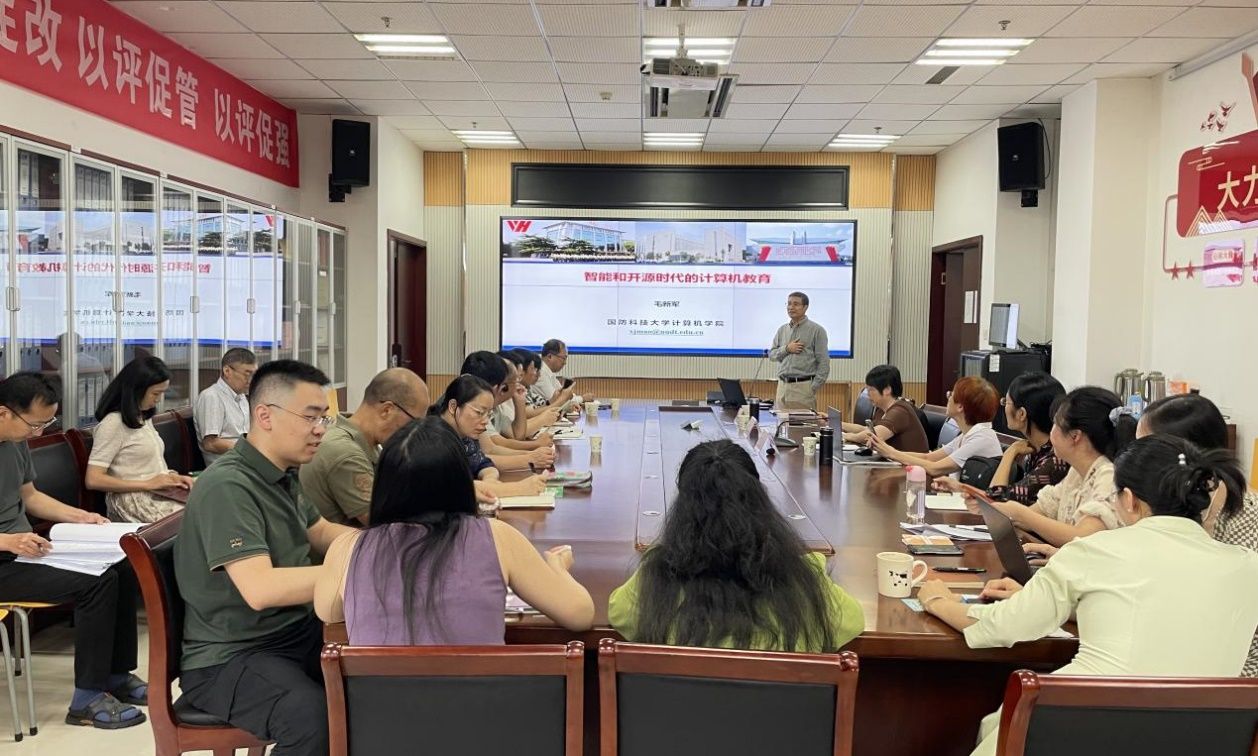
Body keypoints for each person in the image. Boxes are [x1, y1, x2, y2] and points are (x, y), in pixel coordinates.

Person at [917, 435, 1258, 756]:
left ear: (1129, 499)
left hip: (1083, 728)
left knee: (997, 724)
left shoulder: (1097, 549)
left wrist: (936, 600)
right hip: (1199, 739)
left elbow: (1001, 626)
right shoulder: (1248, 566)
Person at [174, 360, 355, 756]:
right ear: (265, 415)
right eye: (310, 417)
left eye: (324, 418)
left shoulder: (281, 473)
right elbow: (261, 589)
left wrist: (384, 546)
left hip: (292, 633)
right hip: (230, 656)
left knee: (380, 674)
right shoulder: (229, 485)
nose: (320, 430)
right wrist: (360, 569)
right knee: (311, 719)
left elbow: (321, 531)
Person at [314, 416, 594, 643]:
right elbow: (580, 615)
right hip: (481, 698)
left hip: (379, 699)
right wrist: (557, 568)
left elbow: (328, 612)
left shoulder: (347, 548)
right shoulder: (497, 536)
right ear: (461, 482)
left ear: (384, 485)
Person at [608, 440, 863, 652]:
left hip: (679, 702)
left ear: (683, 509)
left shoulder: (654, 582)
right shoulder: (805, 583)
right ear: (759, 501)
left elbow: (617, 612)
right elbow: (853, 620)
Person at [0, 372, 147, 730]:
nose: (39, 433)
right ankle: (86, 698)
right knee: (95, 584)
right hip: (5, 557)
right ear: (3, 412)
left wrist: (80, 516)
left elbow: (30, 496)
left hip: (24, 550)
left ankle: (116, 675)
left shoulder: (15, 441)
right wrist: (6, 541)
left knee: (123, 563)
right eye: (34, 424)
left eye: (46, 424)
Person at [979, 386, 1136, 547]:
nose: (1051, 432)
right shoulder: (1077, 472)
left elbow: (1082, 537)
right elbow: (1040, 511)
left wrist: (1021, 514)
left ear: (1075, 436)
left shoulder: (1108, 475)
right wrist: (1003, 511)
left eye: (1055, 424)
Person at [299, 368, 428, 527]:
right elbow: (389, 524)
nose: (415, 431)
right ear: (387, 410)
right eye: (414, 422)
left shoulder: (367, 444)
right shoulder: (346, 453)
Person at [86, 356, 194, 523]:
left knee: (212, 507)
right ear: (136, 389)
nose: (158, 399)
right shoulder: (113, 423)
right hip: (133, 499)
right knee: (197, 519)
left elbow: (148, 467)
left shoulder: (142, 417)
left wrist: (173, 478)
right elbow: (93, 479)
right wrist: (148, 484)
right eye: (155, 393)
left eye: (162, 393)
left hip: (157, 492)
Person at [936, 372, 1068, 505]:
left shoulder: (1055, 460)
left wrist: (1010, 453)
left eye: (1006, 402)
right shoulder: (1034, 450)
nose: (1003, 408)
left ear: (1021, 414)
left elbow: (997, 499)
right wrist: (961, 488)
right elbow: (1000, 497)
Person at [429, 375, 550, 499]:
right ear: (453, 406)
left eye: (488, 414)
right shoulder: (433, 438)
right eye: (479, 413)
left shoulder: (462, 433)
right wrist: (520, 488)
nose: (485, 421)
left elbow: (483, 463)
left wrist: (489, 479)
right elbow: (456, 488)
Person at [873, 376, 1001, 478]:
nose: (948, 398)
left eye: (951, 395)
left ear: (960, 406)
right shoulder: (968, 434)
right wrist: (888, 452)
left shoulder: (982, 437)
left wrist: (891, 453)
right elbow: (928, 457)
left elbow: (935, 468)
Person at [459, 352, 556, 469]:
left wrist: (532, 455)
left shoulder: (487, 405)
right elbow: (488, 451)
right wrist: (531, 456)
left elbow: (510, 438)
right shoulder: (469, 405)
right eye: (516, 380)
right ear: (501, 387)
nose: (519, 385)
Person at [840, 364, 929, 452]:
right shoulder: (882, 409)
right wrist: (838, 424)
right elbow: (866, 430)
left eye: (871, 390)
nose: (868, 394)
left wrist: (845, 436)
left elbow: (872, 435)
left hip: (909, 461)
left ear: (887, 390)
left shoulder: (900, 411)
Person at [193, 348, 257, 465]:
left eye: (254, 375)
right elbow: (210, 444)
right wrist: (249, 451)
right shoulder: (212, 396)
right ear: (227, 371)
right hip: (226, 465)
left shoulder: (241, 397)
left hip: (243, 460)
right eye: (247, 374)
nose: (250, 381)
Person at [768, 292, 829, 411]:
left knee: (802, 423)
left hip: (803, 388)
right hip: (782, 387)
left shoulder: (817, 330)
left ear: (805, 307)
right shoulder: (782, 330)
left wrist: (812, 387)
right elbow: (772, 355)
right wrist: (787, 349)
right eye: (789, 304)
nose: (791, 307)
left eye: (796, 304)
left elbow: (824, 363)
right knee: (781, 422)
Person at [536, 339, 578, 408]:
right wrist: (582, 399)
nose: (565, 363)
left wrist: (573, 399)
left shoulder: (549, 372)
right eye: (563, 358)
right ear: (550, 356)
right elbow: (556, 401)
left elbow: (562, 394)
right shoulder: (540, 373)